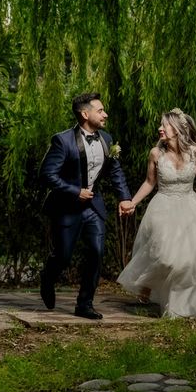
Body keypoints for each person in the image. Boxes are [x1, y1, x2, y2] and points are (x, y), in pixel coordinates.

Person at [117, 108, 196, 319]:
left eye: (164, 125)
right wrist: (133, 202)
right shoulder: (156, 154)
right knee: (165, 257)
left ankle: (178, 308)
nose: (160, 129)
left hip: (190, 208)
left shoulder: (194, 151)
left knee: (187, 261)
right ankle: (147, 283)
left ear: (177, 129)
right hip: (163, 208)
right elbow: (150, 182)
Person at [39, 92, 134, 320]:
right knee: (63, 256)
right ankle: (47, 277)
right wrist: (75, 191)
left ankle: (85, 304)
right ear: (85, 113)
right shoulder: (62, 141)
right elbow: (47, 174)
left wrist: (124, 197)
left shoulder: (107, 140)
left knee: (97, 252)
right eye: (100, 110)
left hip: (94, 208)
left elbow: (114, 171)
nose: (105, 114)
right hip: (67, 208)